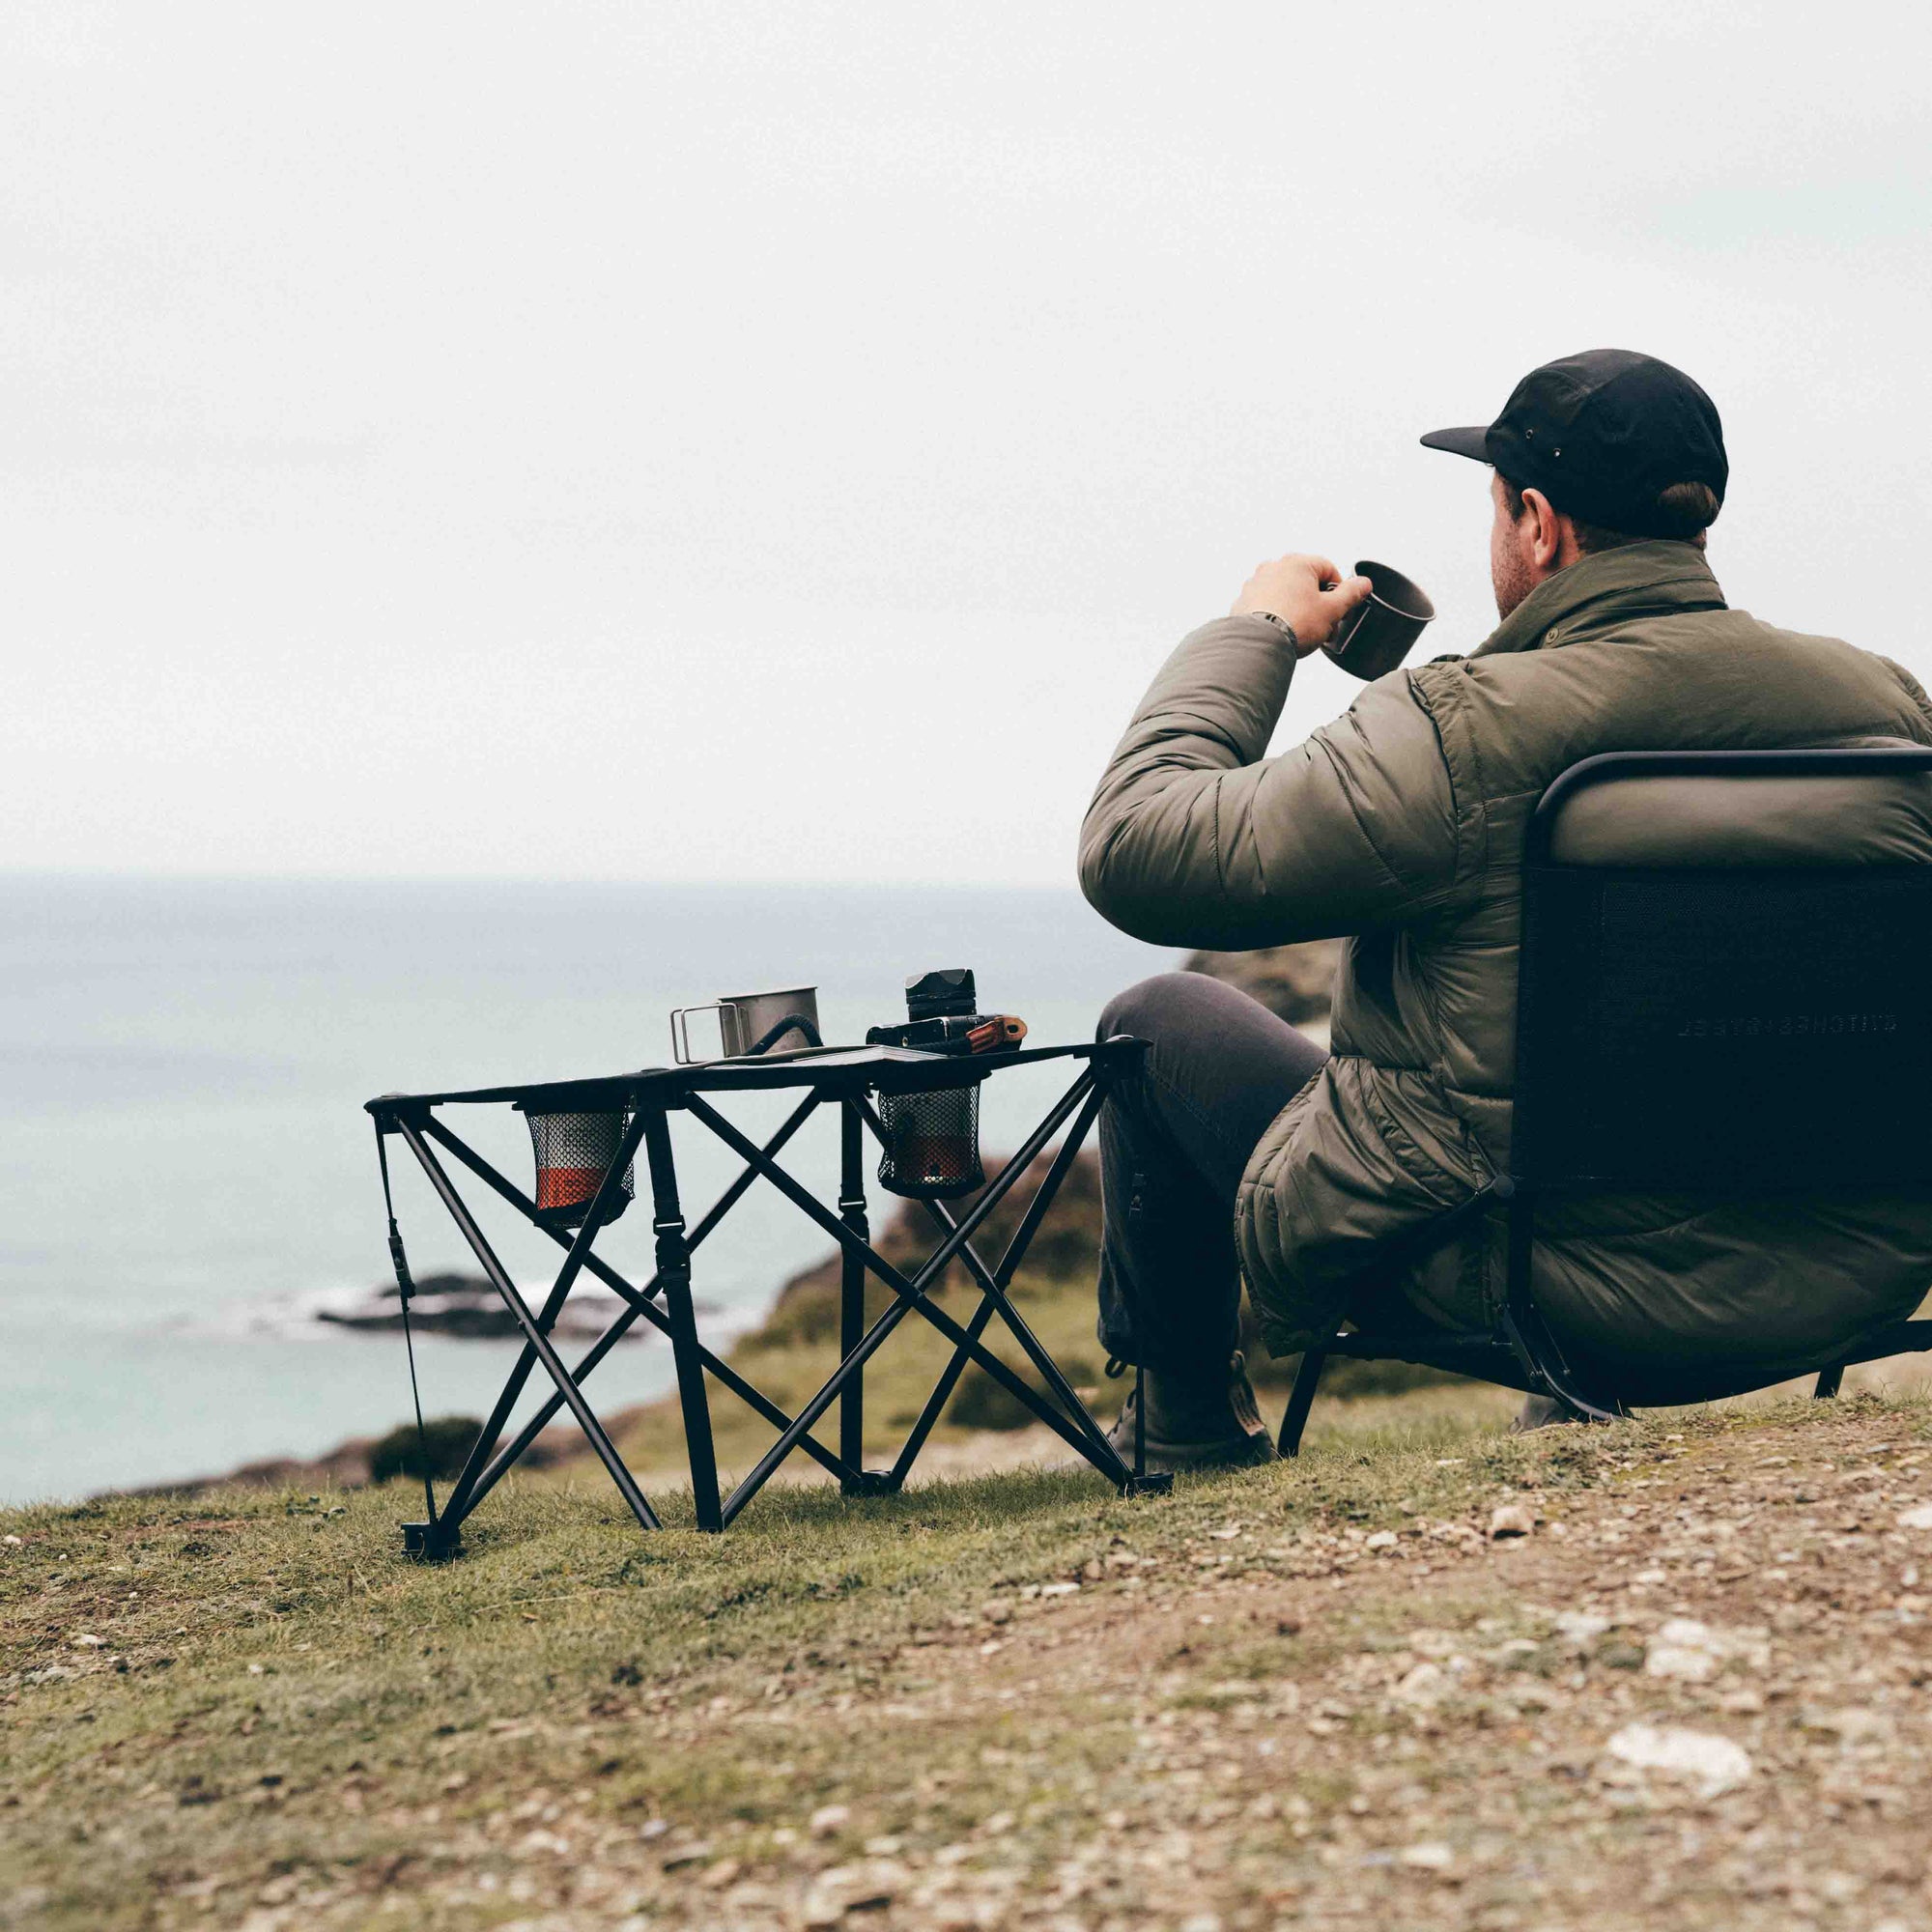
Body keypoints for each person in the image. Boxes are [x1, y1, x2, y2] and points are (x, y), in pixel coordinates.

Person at [1078, 348, 1932, 1470]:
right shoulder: (1884, 701)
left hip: (1541, 1283)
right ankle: (1568, 1409)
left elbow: (1135, 843)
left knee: (1159, 1018)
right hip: (1845, 1267)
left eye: (1492, 505)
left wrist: (1257, 633)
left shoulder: (1458, 727)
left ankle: (1181, 1432)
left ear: (1535, 522)